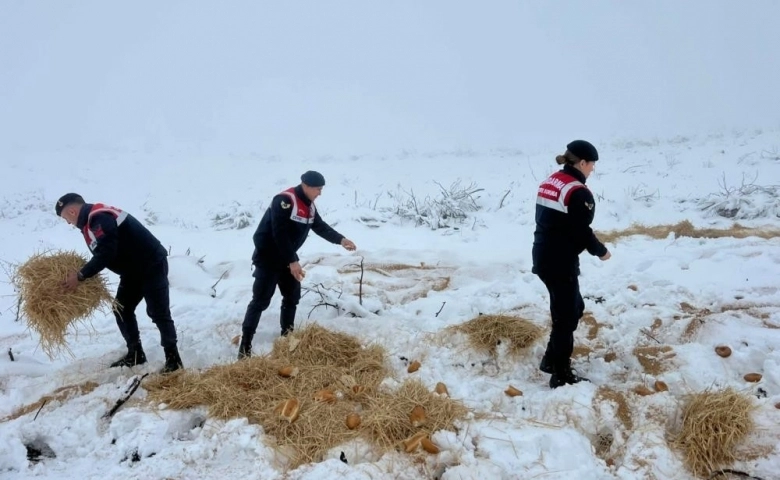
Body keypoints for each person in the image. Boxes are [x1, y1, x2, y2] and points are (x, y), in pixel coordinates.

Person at [56, 193, 183, 373]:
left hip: (150, 264)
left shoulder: (98, 217)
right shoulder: (91, 220)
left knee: (158, 312)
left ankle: (173, 360)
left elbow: (106, 253)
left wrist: (81, 275)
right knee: (121, 309)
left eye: (65, 218)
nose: (68, 223)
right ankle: (136, 354)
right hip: (133, 271)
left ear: (71, 211)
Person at [239, 170, 357, 359]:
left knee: (292, 297)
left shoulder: (309, 206)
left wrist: (341, 240)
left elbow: (320, 226)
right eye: (318, 189)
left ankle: (287, 337)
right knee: (260, 301)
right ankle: (245, 346)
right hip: (268, 258)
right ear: (306, 186)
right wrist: (293, 261)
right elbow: (279, 233)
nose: (320, 193)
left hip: (287, 258)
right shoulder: (284, 201)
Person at [532, 140, 611, 389]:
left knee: (573, 308)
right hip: (559, 260)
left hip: (543, 254)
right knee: (566, 317)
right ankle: (561, 373)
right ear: (583, 163)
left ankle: (550, 359)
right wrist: (601, 251)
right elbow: (581, 231)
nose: (593, 170)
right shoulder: (578, 192)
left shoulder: (552, 181)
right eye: (592, 165)